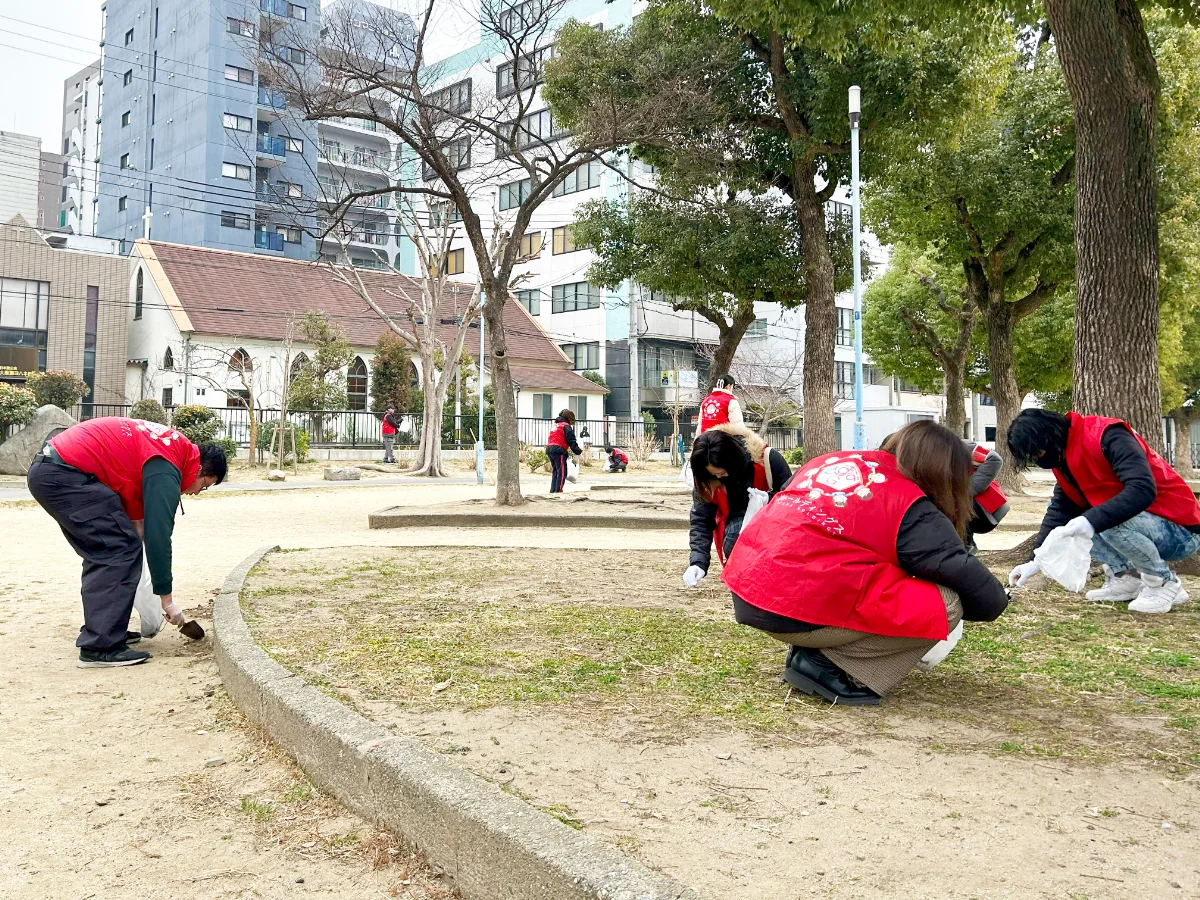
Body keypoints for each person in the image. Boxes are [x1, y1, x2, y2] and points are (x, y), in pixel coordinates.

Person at [722, 421, 1009, 706]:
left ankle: (815, 646)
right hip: (792, 609)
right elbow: (977, 590)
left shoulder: (829, 461)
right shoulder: (910, 501)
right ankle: (827, 663)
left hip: (749, 589)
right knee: (947, 603)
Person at [26, 417, 227, 668]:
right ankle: (100, 648)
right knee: (116, 550)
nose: (196, 492)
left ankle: (109, 632)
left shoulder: (170, 447)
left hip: (56, 471)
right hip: (65, 475)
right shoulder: (168, 466)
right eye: (205, 486)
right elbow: (158, 537)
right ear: (201, 470)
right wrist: (167, 600)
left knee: (117, 546)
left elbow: (138, 521)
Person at [1006, 409, 1200, 613]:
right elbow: (1058, 513)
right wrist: (1034, 561)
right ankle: (1126, 577)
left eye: (1037, 452)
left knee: (1101, 519)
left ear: (1049, 435)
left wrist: (1090, 520)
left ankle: (1163, 583)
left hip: (1181, 529)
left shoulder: (1108, 435)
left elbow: (1142, 489)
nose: (1038, 459)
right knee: (1072, 527)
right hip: (1145, 525)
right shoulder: (1064, 459)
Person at [683, 424, 792, 588]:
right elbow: (701, 520)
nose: (719, 477)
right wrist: (698, 562)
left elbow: (793, 501)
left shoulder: (768, 460)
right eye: (714, 474)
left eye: (722, 472)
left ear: (733, 461)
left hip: (774, 538)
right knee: (735, 533)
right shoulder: (707, 479)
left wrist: (768, 500)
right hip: (735, 545)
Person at [964, 440, 1009, 554]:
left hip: (986, 510)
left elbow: (993, 459)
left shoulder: (956, 446)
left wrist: (966, 491)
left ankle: (966, 546)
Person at [546, 409, 582, 493]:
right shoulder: (566, 426)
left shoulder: (555, 425)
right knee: (562, 472)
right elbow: (571, 440)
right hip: (559, 450)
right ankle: (558, 491)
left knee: (556, 471)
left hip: (550, 449)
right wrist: (578, 452)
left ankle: (553, 491)